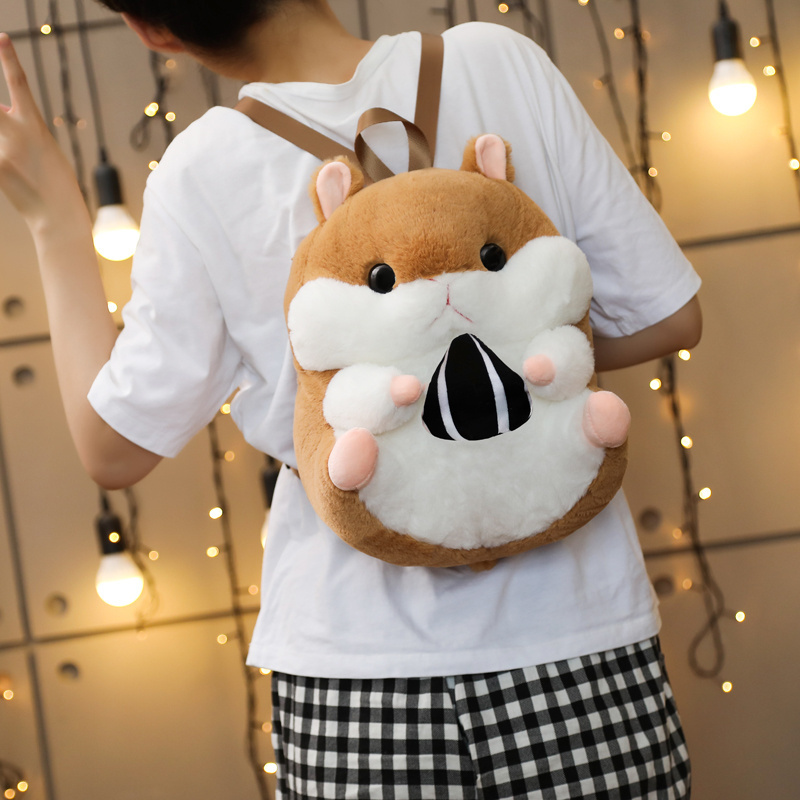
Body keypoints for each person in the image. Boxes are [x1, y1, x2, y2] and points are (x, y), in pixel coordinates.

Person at [0, 1, 701, 797]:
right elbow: (668, 316)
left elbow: (112, 448)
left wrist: (55, 220)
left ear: (152, 28)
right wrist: (495, 362)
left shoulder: (202, 170)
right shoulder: (497, 62)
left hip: (355, 668)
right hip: (577, 639)